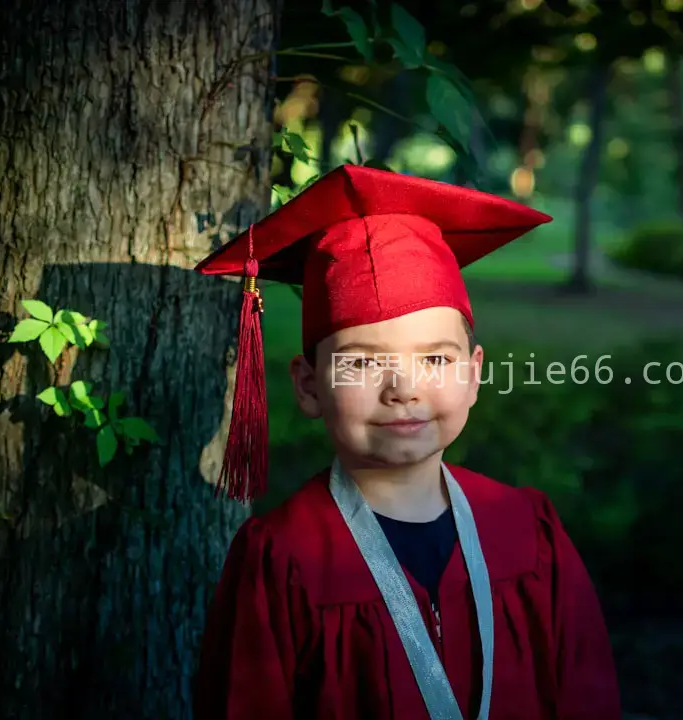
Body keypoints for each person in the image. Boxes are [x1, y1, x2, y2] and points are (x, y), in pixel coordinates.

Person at [191, 164, 621, 719]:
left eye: (436, 358)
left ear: (472, 375)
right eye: (363, 363)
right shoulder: (281, 559)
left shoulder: (530, 532)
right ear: (308, 385)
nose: (403, 390)